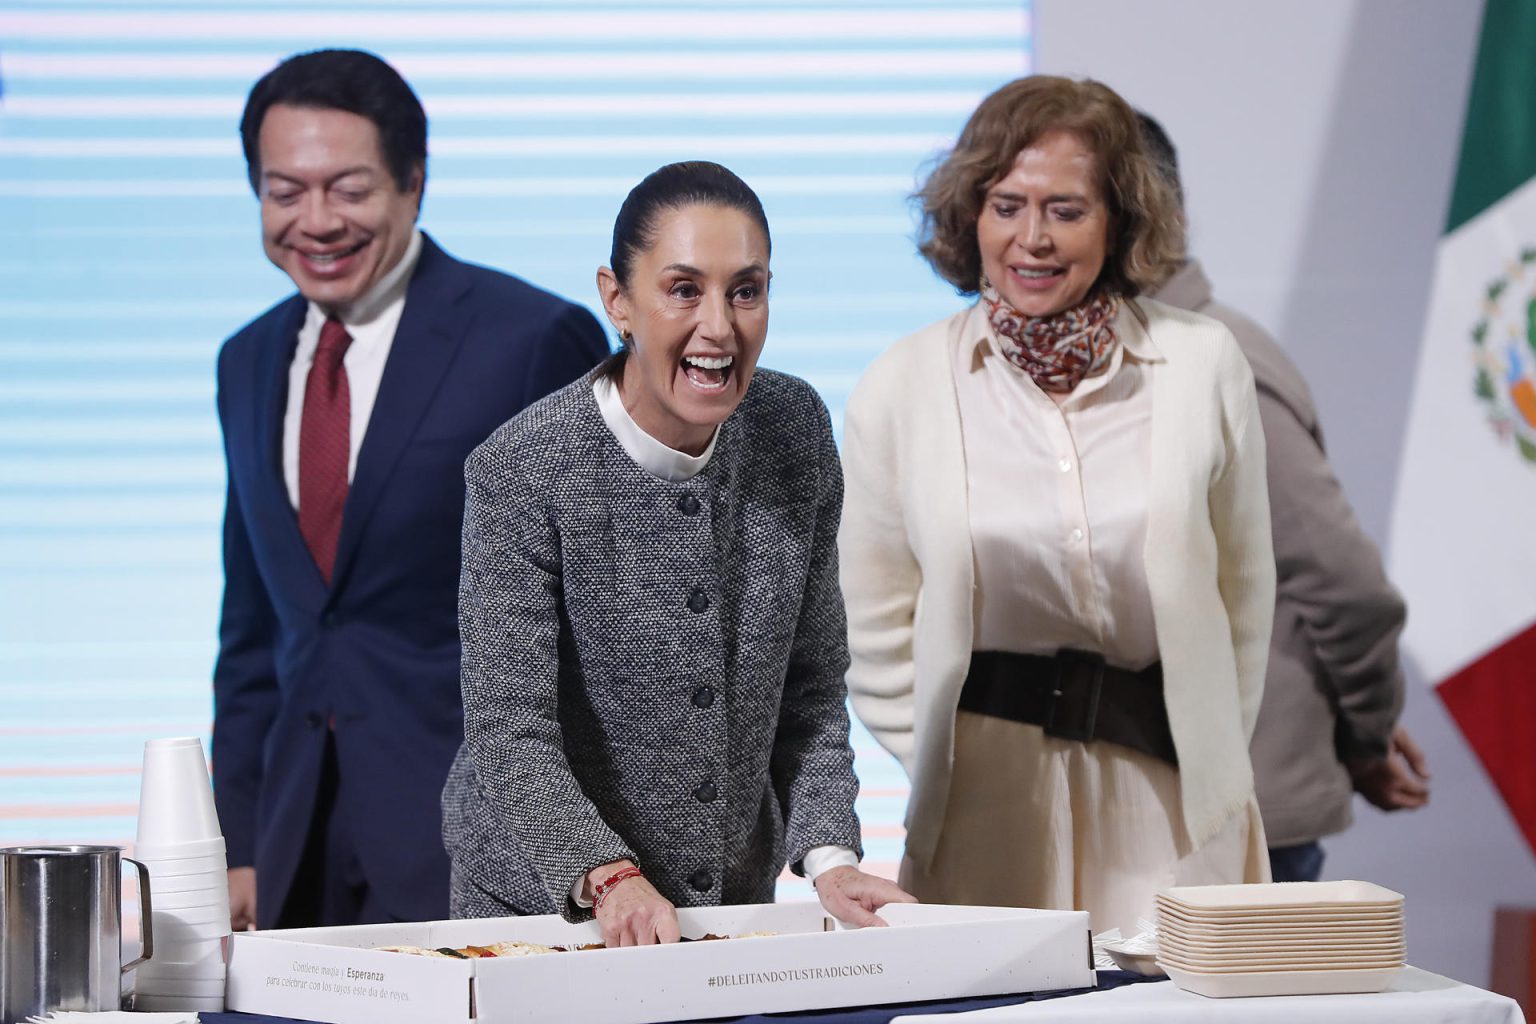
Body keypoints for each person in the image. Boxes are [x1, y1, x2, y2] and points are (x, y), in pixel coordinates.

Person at [839, 75, 1275, 935]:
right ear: (971, 214)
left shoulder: (1204, 364)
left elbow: (1244, 597)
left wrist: (1210, 744)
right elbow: (871, 622)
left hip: (1174, 799)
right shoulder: (903, 384)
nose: (1031, 238)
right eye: (1006, 205)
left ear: (1118, 222)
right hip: (985, 809)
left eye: (1066, 210)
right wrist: (948, 761)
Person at [441, 161, 914, 945]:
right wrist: (609, 875)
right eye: (684, 289)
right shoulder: (522, 468)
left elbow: (811, 690)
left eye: (746, 290)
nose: (720, 327)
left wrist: (829, 856)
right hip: (540, 911)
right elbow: (508, 731)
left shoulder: (792, 429)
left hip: (726, 902)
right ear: (617, 299)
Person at [212, 49, 609, 930]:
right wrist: (233, 841)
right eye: (285, 191)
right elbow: (256, 632)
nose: (316, 220)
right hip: (293, 855)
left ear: (413, 184)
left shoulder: (532, 339)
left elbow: (609, 626)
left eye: (348, 189)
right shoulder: (245, 361)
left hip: (479, 851)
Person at [1138, 111, 1430, 882]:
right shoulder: (1119, 358)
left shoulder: (1215, 361)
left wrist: (1366, 737)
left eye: (1074, 204)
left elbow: (1344, 582)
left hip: (1240, 818)